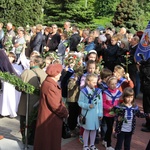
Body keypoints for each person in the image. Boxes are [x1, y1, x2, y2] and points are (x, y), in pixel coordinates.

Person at [34, 64, 68, 150]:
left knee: (47, 141)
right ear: (55, 74)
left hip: (49, 117)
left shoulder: (49, 83)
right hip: (50, 118)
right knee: (49, 141)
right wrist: (65, 113)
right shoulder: (50, 86)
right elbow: (55, 106)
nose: (60, 74)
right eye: (59, 73)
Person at [17, 55, 47, 144]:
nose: (29, 63)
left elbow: (18, 87)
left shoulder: (27, 72)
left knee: (24, 123)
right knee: (35, 124)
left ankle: (26, 140)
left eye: (30, 61)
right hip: (38, 104)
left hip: (26, 103)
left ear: (34, 63)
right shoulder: (44, 74)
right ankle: (34, 141)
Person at [78, 73, 103, 150]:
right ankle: (85, 145)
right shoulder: (83, 91)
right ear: (88, 82)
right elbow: (80, 102)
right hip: (87, 114)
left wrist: (100, 113)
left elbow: (100, 103)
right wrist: (87, 106)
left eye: (96, 82)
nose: (95, 84)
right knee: (87, 129)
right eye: (94, 82)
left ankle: (92, 145)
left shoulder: (98, 91)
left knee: (94, 129)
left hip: (95, 114)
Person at [102, 76, 122, 150]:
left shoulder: (119, 93)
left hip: (115, 113)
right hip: (107, 114)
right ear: (108, 85)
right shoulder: (105, 93)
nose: (114, 85)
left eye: (115, 84)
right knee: (110, 128)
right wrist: (108, 107)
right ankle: (108, 145)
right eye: (112, 84)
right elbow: (103, 103)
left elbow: (120, 102)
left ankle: (105, 140)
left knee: (110, 128)